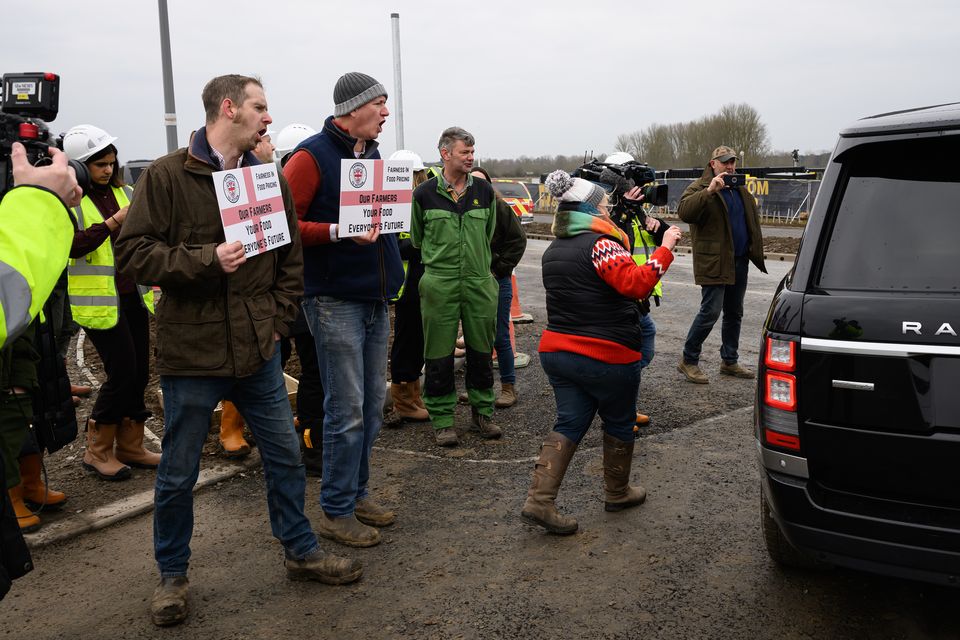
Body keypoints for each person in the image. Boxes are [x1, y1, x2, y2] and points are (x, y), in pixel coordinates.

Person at [115, 74, 362, 627]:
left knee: (284, 458)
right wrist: (207, 259)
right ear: (229, 109)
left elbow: (289, 261)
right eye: (260, 107)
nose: (268, 118)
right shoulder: (167, 176)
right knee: (178, 474)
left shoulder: (265, 177)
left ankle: (300, 550)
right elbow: (134, 253)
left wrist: (276, 325)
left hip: (257, 352)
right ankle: (172, 574)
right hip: (192, 355)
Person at [521, 170, 680, 535]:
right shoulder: (600, 244)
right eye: (605, 205)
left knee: (570, 421)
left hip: (558, 351)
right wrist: (666, 247)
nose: (609, 210)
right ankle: (617, 492)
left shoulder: (554, 249)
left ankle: (539, 500)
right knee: (620, 421)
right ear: (591, 209)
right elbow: (636, 284)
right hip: (606, 355)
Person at [282, 72, 403, 549]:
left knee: (372, 405)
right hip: (333, 299)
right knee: (346, 409)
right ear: (353, 109)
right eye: (380, 104)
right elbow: (285, 222)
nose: (386, 114)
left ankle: (356, 492)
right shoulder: (311, 156)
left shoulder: (369, 155)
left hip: (373, 297)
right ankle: (335, 509)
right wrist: (337, 231)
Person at [1, 142, 79, 595]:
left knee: (26, 402)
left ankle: (24, 485)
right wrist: (36, 200)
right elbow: (6, 295)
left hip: (29, 340)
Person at [62, 125, 159, 481]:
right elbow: (71, 245)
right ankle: (96, 450)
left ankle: (131, 446)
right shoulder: (71, 200)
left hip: (132, 294)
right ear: (80, 167)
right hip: (99, 302)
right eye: (99, 164)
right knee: (121, 373)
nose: (107, 169)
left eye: (110, 162)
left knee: (139, 373)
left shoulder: (127, 191)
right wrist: (112, 223)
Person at [411, 127, 501, 447]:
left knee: (480, 351)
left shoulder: (485, 192)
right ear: (445, 153)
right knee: (438, 353)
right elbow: (418, 238)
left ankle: (482, 412)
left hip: (478, 281)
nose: (471, 157)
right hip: (440, 281)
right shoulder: (423, 195)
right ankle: (443, 419)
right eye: (465, 152)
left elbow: (490, 232)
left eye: (473, 152)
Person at [676, 145, 766, 384]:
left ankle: (729, 360)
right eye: (724, 162)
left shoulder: (739, 188)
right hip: (715, 261)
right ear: (712, 163)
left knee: (734, 313)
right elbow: (684, 212)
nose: (730, 166)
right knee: (710, 312)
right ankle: (689, 359)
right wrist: (710, 192)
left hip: (738, 260)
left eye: (732, 162)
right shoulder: (700, 187)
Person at [603, 151, 668, 427]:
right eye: (629, 180)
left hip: (640, 294)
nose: (636, 188)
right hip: (622, 294)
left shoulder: (637, 210)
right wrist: (624, 212)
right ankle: (616, 410)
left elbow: (654, 237)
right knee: (627, 357)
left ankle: (622, 405)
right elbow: (615, 240)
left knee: (643, 351)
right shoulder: (608, 211)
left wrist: (658, 227)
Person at [468, 166, 526, 409]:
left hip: (497, 281)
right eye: (472, 181)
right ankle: (478, 390)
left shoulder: (500, 208)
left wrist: (498, 268)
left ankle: (508, 388)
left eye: (482, 182)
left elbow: (518, 240)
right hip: (472, 281)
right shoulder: (466, 210)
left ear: (489, 185)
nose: (477, 186)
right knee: (475, 335)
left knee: (500, 335)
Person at [387, 150, 429, 423]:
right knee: (407, 340)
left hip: (420, 282)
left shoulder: (417, 202)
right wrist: (419, 244)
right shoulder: (392, 204)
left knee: (418, 340)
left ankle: (413, 393)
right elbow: (392, 245)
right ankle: (402, 399)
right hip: (404, 286)